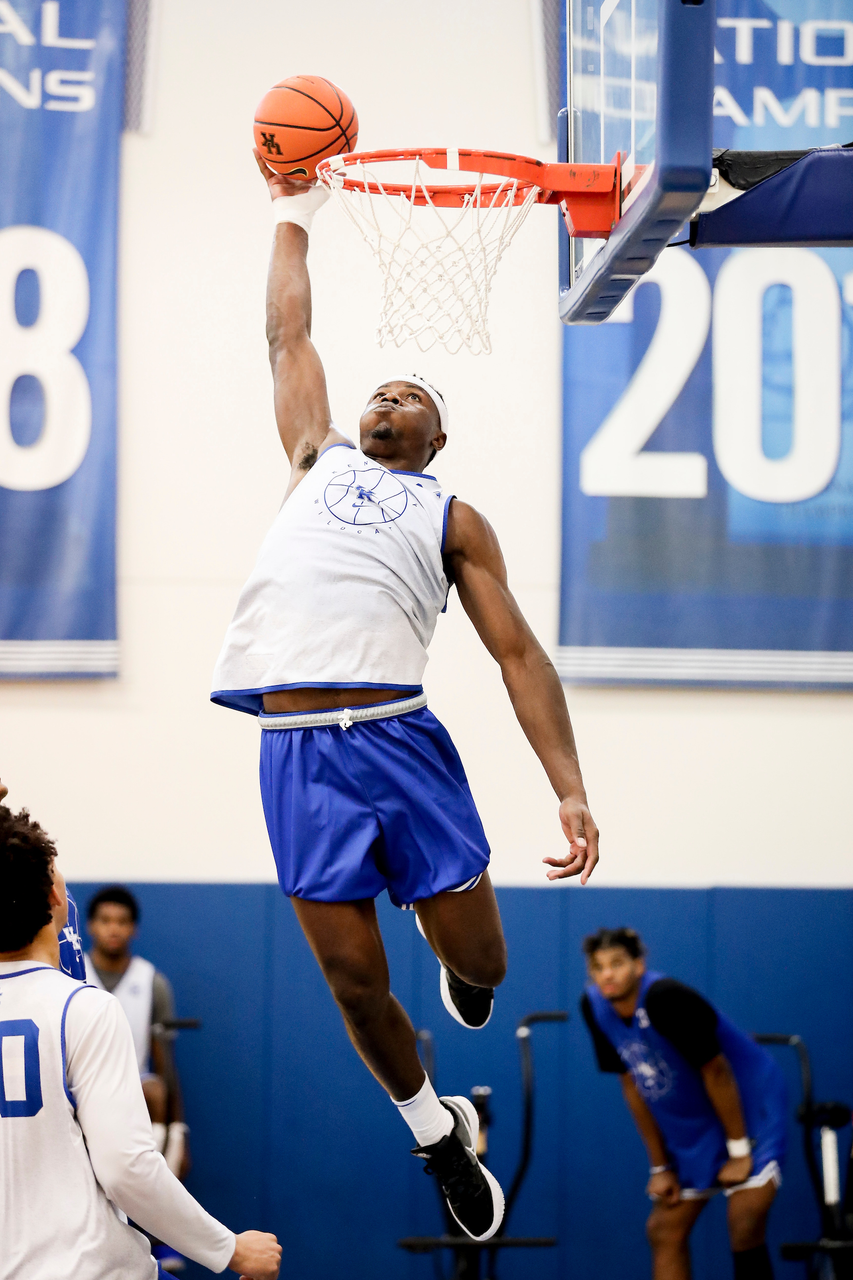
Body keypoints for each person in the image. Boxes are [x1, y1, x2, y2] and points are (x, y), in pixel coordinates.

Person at [209, 151, 600, 1244]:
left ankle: (459, 965)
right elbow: (289, 335)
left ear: (435, 438)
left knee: (481, 963)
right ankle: (435, 1134)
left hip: (397, 737)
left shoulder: (454, 517)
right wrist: (294, 207)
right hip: (295, 749)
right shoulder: (314, 458)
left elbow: (519, 655)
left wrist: (568, 790)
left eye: (412, 396)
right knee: (347, 976)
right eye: (381, 387)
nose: (388, 393)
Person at [0, 799, 281, 1280]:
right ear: (54, 897)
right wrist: (230, 1248)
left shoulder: (134, 984)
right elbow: (125, 1167)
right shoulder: (81, 1006)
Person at [580, 928, 787, 1280]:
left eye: (617, 963)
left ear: (639, 965)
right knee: (664, 1230)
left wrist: (739, 1153)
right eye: (598, 967)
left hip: (749, 1103)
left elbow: (718, 1072)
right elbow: (631, 1084)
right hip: (699, 1121)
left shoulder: (666, 997)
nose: (607, 974)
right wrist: (661, 1168)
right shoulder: (594, 1005)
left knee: (744, 1220)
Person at [84, 886, 191, 1271]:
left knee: (154, 1092)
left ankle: (158, 1238)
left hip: (139, 1094)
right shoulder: (72, 974)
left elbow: (166, 1062)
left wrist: (179, 1130)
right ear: (91, 926)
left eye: (122, 922)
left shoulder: (151, 982)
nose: (113, 929)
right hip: (81, 1090)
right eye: (106, 921)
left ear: (134, 929)